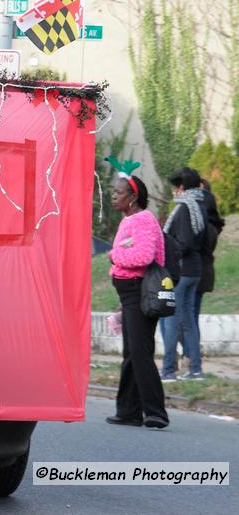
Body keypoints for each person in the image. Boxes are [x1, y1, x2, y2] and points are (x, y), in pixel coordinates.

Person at [106, 174, 169, 429]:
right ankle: (128, 411)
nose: (114, 196)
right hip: (130, 294)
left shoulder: (142, 220)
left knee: (140, 354)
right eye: (113, 192)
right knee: (132, 353)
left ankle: (156, 413)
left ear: (132, 198)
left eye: (119, 192)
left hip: (137, 292)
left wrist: (114, 254)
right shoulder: (131, 219)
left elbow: (143, 256)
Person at [160, 167, 206, 382]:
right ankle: (195, 369)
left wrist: (170, 249)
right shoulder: (200, 205)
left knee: (171, 320)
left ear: (180, 187)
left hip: (181, 270)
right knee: (188, 321)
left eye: (175, 188)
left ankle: (168, 370)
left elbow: (183, 242)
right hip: (195, 269)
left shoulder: (184, 208)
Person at [196, 178, 225, 327]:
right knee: (191, 318)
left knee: (188, 319)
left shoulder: (207, 227)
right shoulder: (212, 226)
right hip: (203, 273)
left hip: (197, 273)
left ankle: (191, 349)